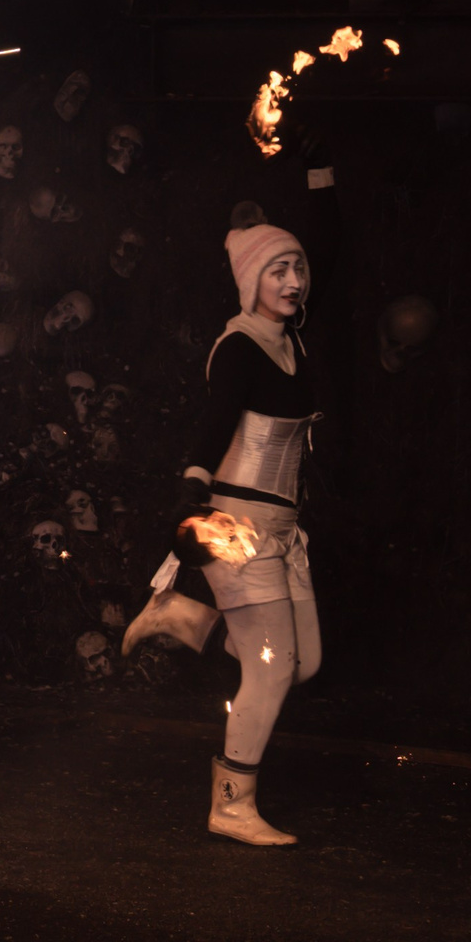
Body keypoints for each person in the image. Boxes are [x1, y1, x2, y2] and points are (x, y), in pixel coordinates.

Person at [121, 222, 323, 845]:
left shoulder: (293, 342)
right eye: (277, 270)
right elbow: (215, 423)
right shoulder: (238, 347)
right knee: (270, 671)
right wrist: (192, 490)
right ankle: (232, 806)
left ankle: (182, 617)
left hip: (284, 528)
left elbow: (335, 256)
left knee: (302, 663)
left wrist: (321, 175)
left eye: (298, 267)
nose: (292, 281)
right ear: (251, 280)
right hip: (237, 529)